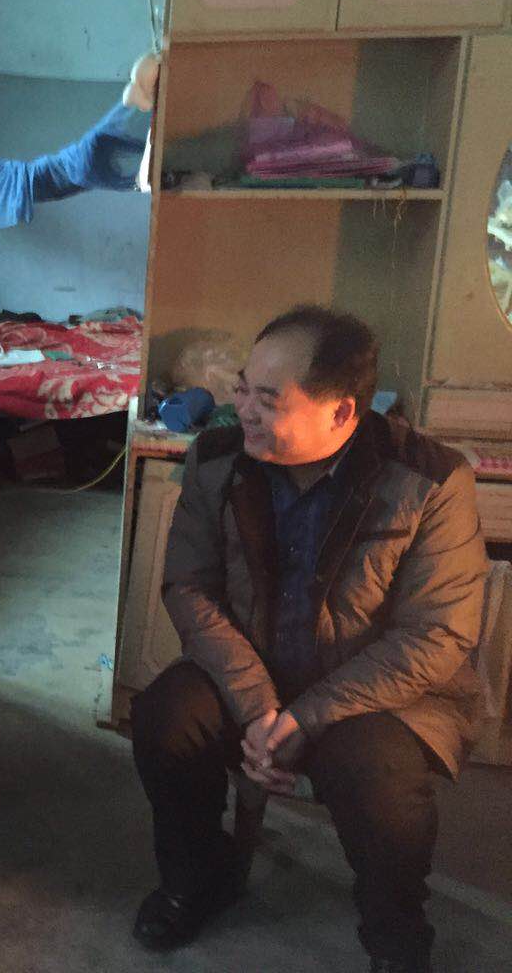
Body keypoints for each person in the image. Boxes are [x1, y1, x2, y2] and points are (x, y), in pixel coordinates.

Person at [130, 306, 487, 973]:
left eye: (268, 401)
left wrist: (307, 716)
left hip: (378, 694)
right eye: (243, 389)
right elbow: (190, 587)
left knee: (377, 775)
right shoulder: (217, 459)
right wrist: (260, 706)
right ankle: (196, 877)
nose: (243, 411)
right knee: (165, 717)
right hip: (255, 671)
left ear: (342, 412)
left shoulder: (431, 479)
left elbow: (436, 633)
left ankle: (396, 939)